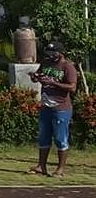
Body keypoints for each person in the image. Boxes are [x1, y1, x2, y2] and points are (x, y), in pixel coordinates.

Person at [28, 41, 77, 177]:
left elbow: (72, 87)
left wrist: (54, 83)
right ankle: (41, 166)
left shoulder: (68, 67)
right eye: (48, 52)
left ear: (60, 53)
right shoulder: (46, 63)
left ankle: (60, 169)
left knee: (60, 139)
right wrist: (35, 77)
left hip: (61, 108)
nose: (50, 55)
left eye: (53, 53)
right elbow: (39, 76)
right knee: (43, 137)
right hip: (45, 107)